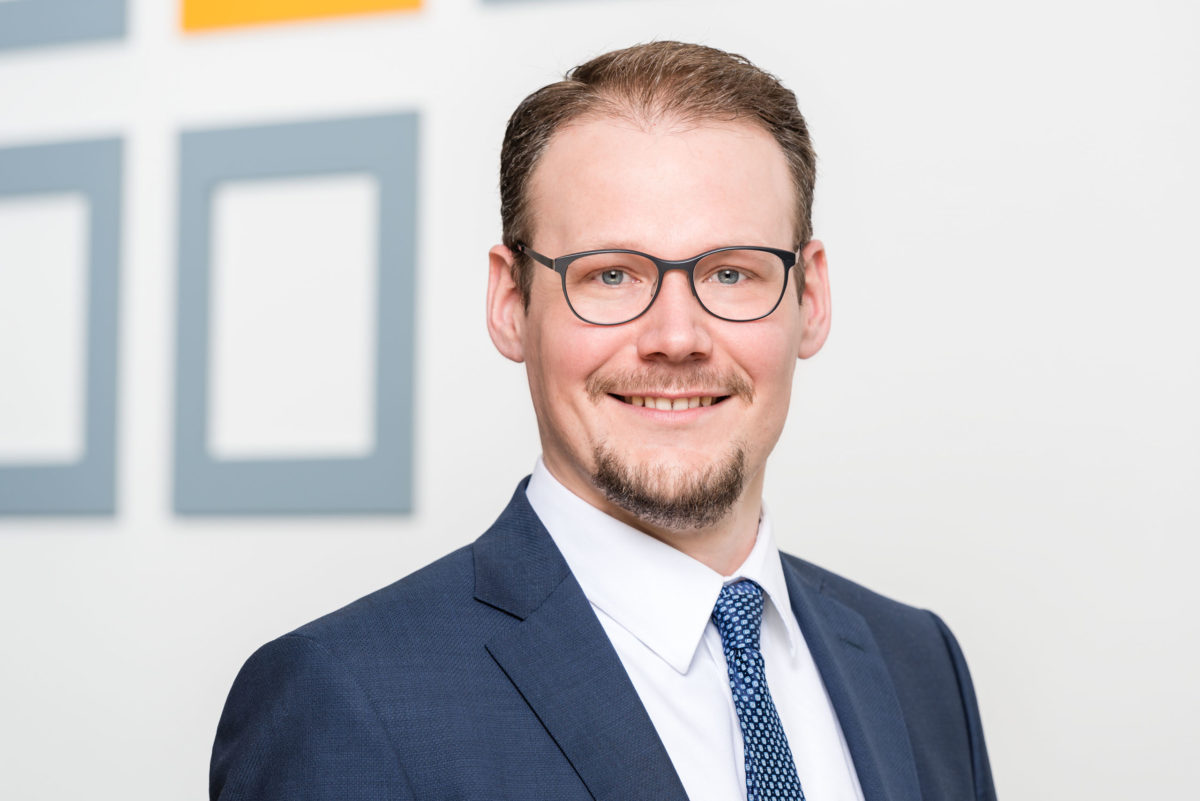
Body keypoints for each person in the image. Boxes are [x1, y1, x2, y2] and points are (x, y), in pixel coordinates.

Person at [210, 41, 996, 801]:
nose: (676, 337)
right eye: (612, 275)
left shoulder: (920, 666)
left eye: (731, 272)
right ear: (511, 303)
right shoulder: (345, 698)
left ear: (811, 297)